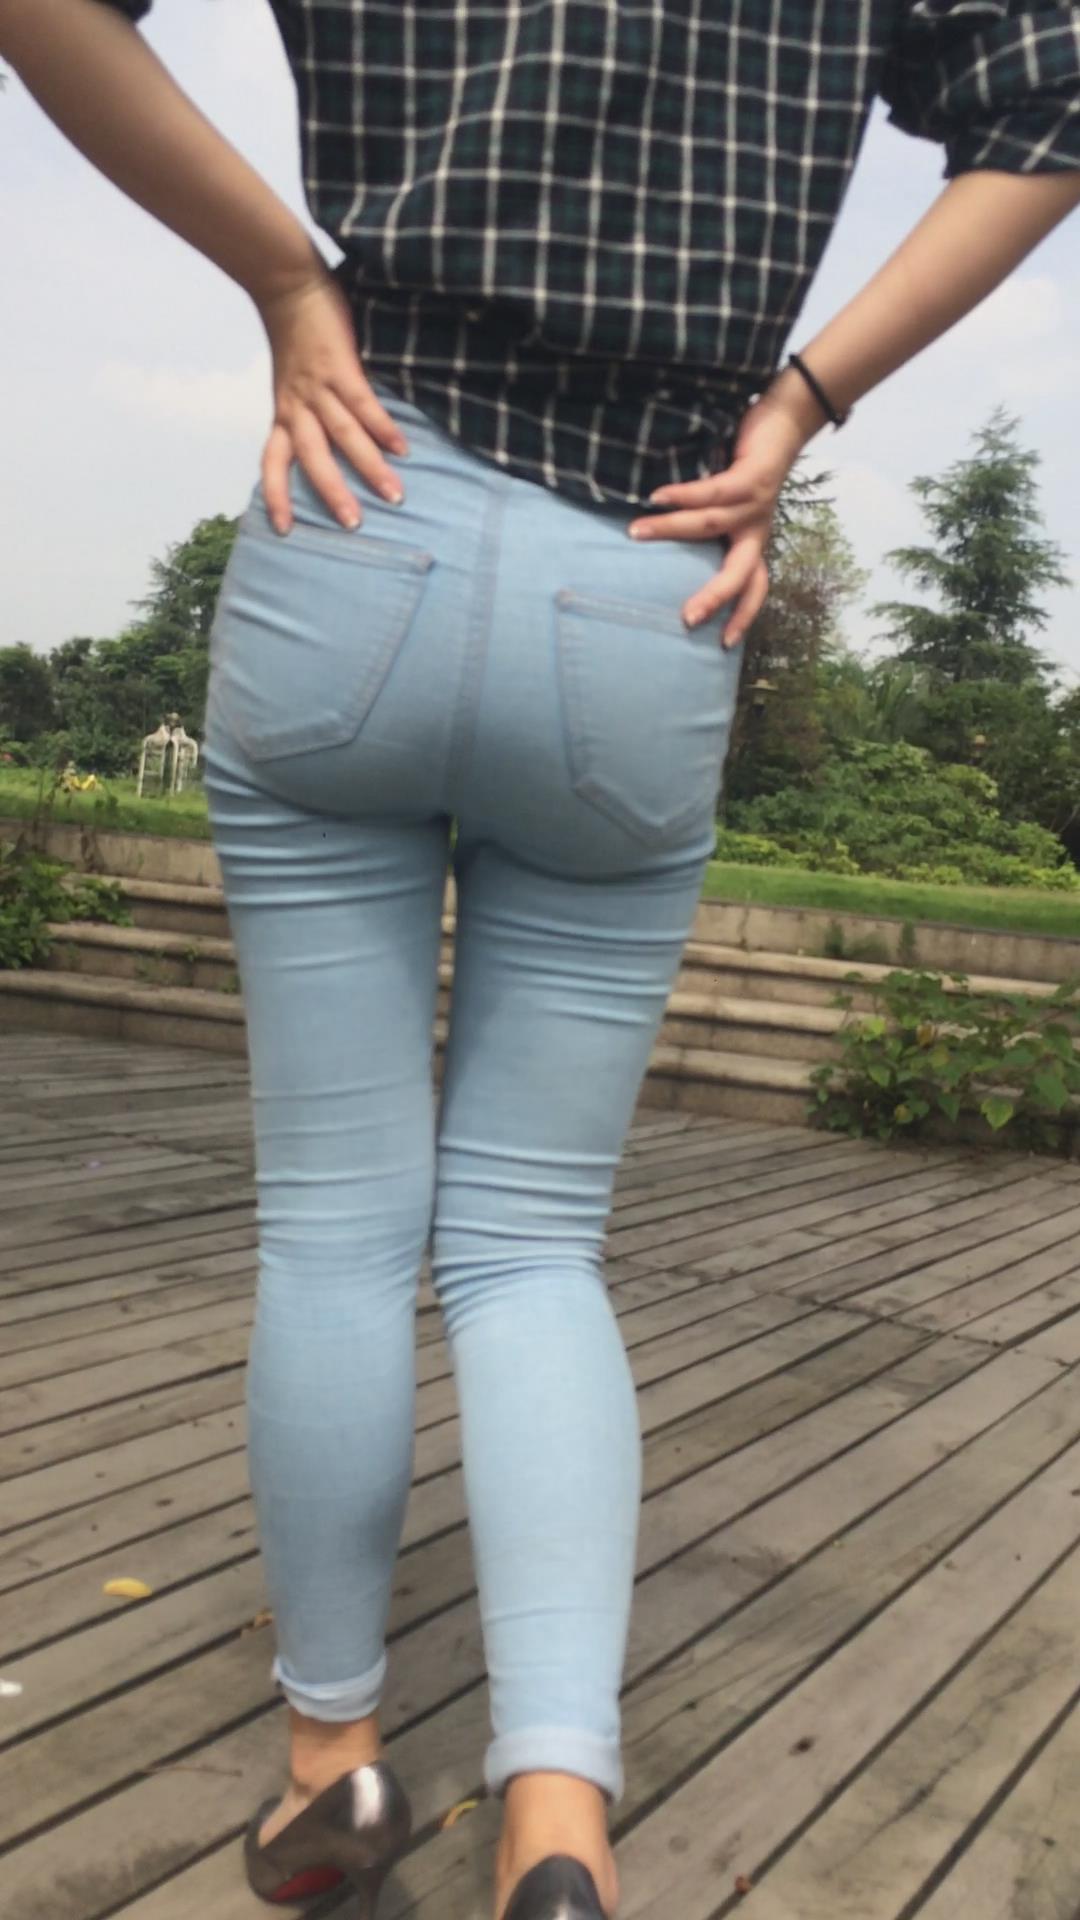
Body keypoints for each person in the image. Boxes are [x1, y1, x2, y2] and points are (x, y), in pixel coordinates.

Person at [4, 1, 1078, 1916]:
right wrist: (800, 403)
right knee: (527, 1243)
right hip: (654, 567)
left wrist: (287, 284)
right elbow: (1055, 99)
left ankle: (332, 1761)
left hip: (357, 500)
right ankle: (560, 1820)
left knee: (337, 1228)